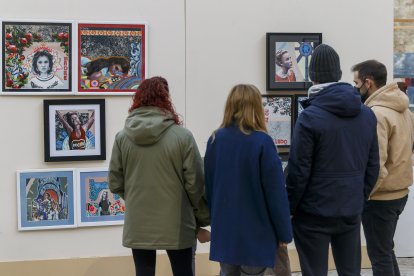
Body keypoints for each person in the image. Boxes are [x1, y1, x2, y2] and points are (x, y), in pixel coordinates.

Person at [286, 44, 380, 276]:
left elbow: (299, 171)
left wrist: (289, 208)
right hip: (349, 208)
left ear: (312, 76)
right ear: (338, 74)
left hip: (313, 213)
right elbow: (373, 166)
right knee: (350, 272)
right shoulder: (366, 114)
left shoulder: (309, 117)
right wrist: (358, 196)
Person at [108, 76, 210, 276]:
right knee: (183, 271)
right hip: (178, 222)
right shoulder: (183, 136)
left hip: (138, 222)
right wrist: (202, 219)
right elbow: (195, 185)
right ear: (166, 100)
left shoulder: (122, 138)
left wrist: (137, 198)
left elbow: (115, 182)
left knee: (144, 271)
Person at [204, 84, 292, 276]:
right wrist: (284, 233)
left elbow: (209, 190)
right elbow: (275, 193)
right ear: (256, 107)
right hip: (256, 235)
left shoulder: (214, 140)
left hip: (225, 234)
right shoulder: (262, 142)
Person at [352, 60, 414, 276]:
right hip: (400, 193)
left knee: (379, 255)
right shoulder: (404, 109)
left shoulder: (376, 114)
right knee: (385, 250)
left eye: (356, 82)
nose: (355, 88)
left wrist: (364, 194)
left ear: (368, 83)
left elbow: (376, 163)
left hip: (380, 197)